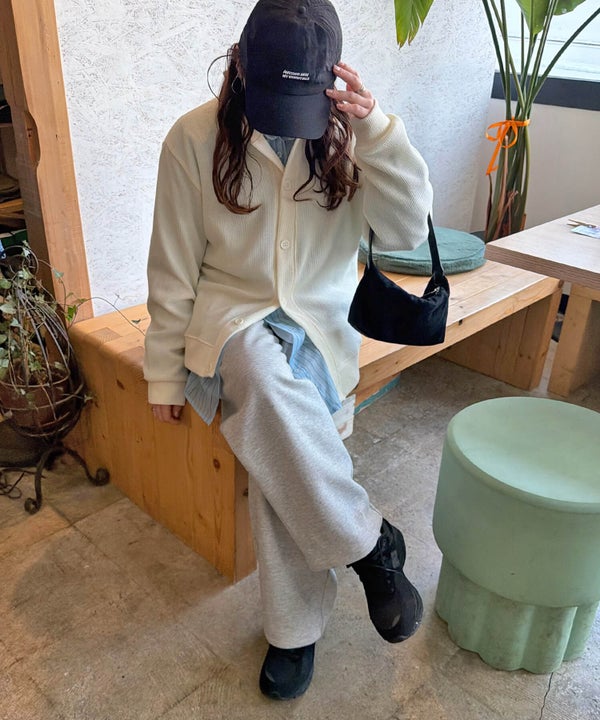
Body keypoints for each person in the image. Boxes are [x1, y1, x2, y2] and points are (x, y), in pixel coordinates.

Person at [144, 0, 433, 701]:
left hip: (322, 329)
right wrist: (162, 375)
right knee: (261, 378)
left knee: (280, 447)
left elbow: (405, 232)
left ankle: (294, 631)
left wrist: (377, 130)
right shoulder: (192, 138)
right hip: (228, 323)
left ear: (334, 80)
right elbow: (173, 268)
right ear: (241, 64)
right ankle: (369, 546)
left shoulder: (354, 134)